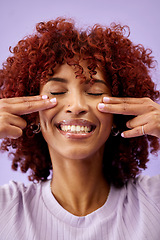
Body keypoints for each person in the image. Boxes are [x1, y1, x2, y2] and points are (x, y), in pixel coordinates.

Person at [0, 17, 160, 240]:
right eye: (56, 91)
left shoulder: (153, 200)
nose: (76, 106)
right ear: (34, 114)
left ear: (117, 114)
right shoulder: (6, 208)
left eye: (94, 92)